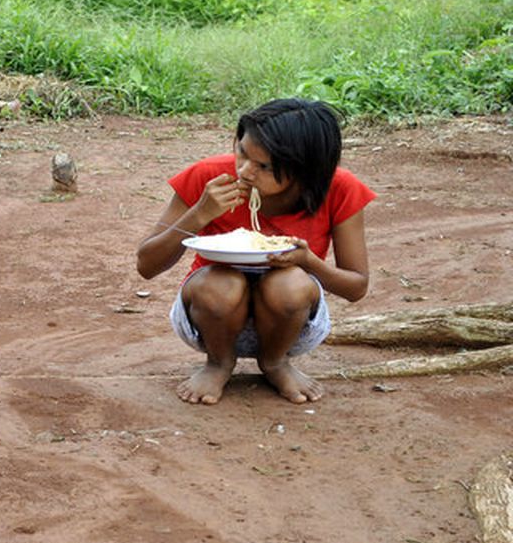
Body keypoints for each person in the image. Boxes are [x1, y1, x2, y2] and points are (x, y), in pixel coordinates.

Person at [136, 98, 376, 405]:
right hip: (210, 317)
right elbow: (147, 264)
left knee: (289, 283)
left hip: (291, 322)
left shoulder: (339, 189)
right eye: (242, 152)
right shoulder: (209, 177)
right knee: (221, 283)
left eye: (264, 166)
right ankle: (218, 363)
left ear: (306, 171)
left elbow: (356, 287)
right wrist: (199, 214)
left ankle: (275, 363)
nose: (245, 172)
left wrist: (308, 261)